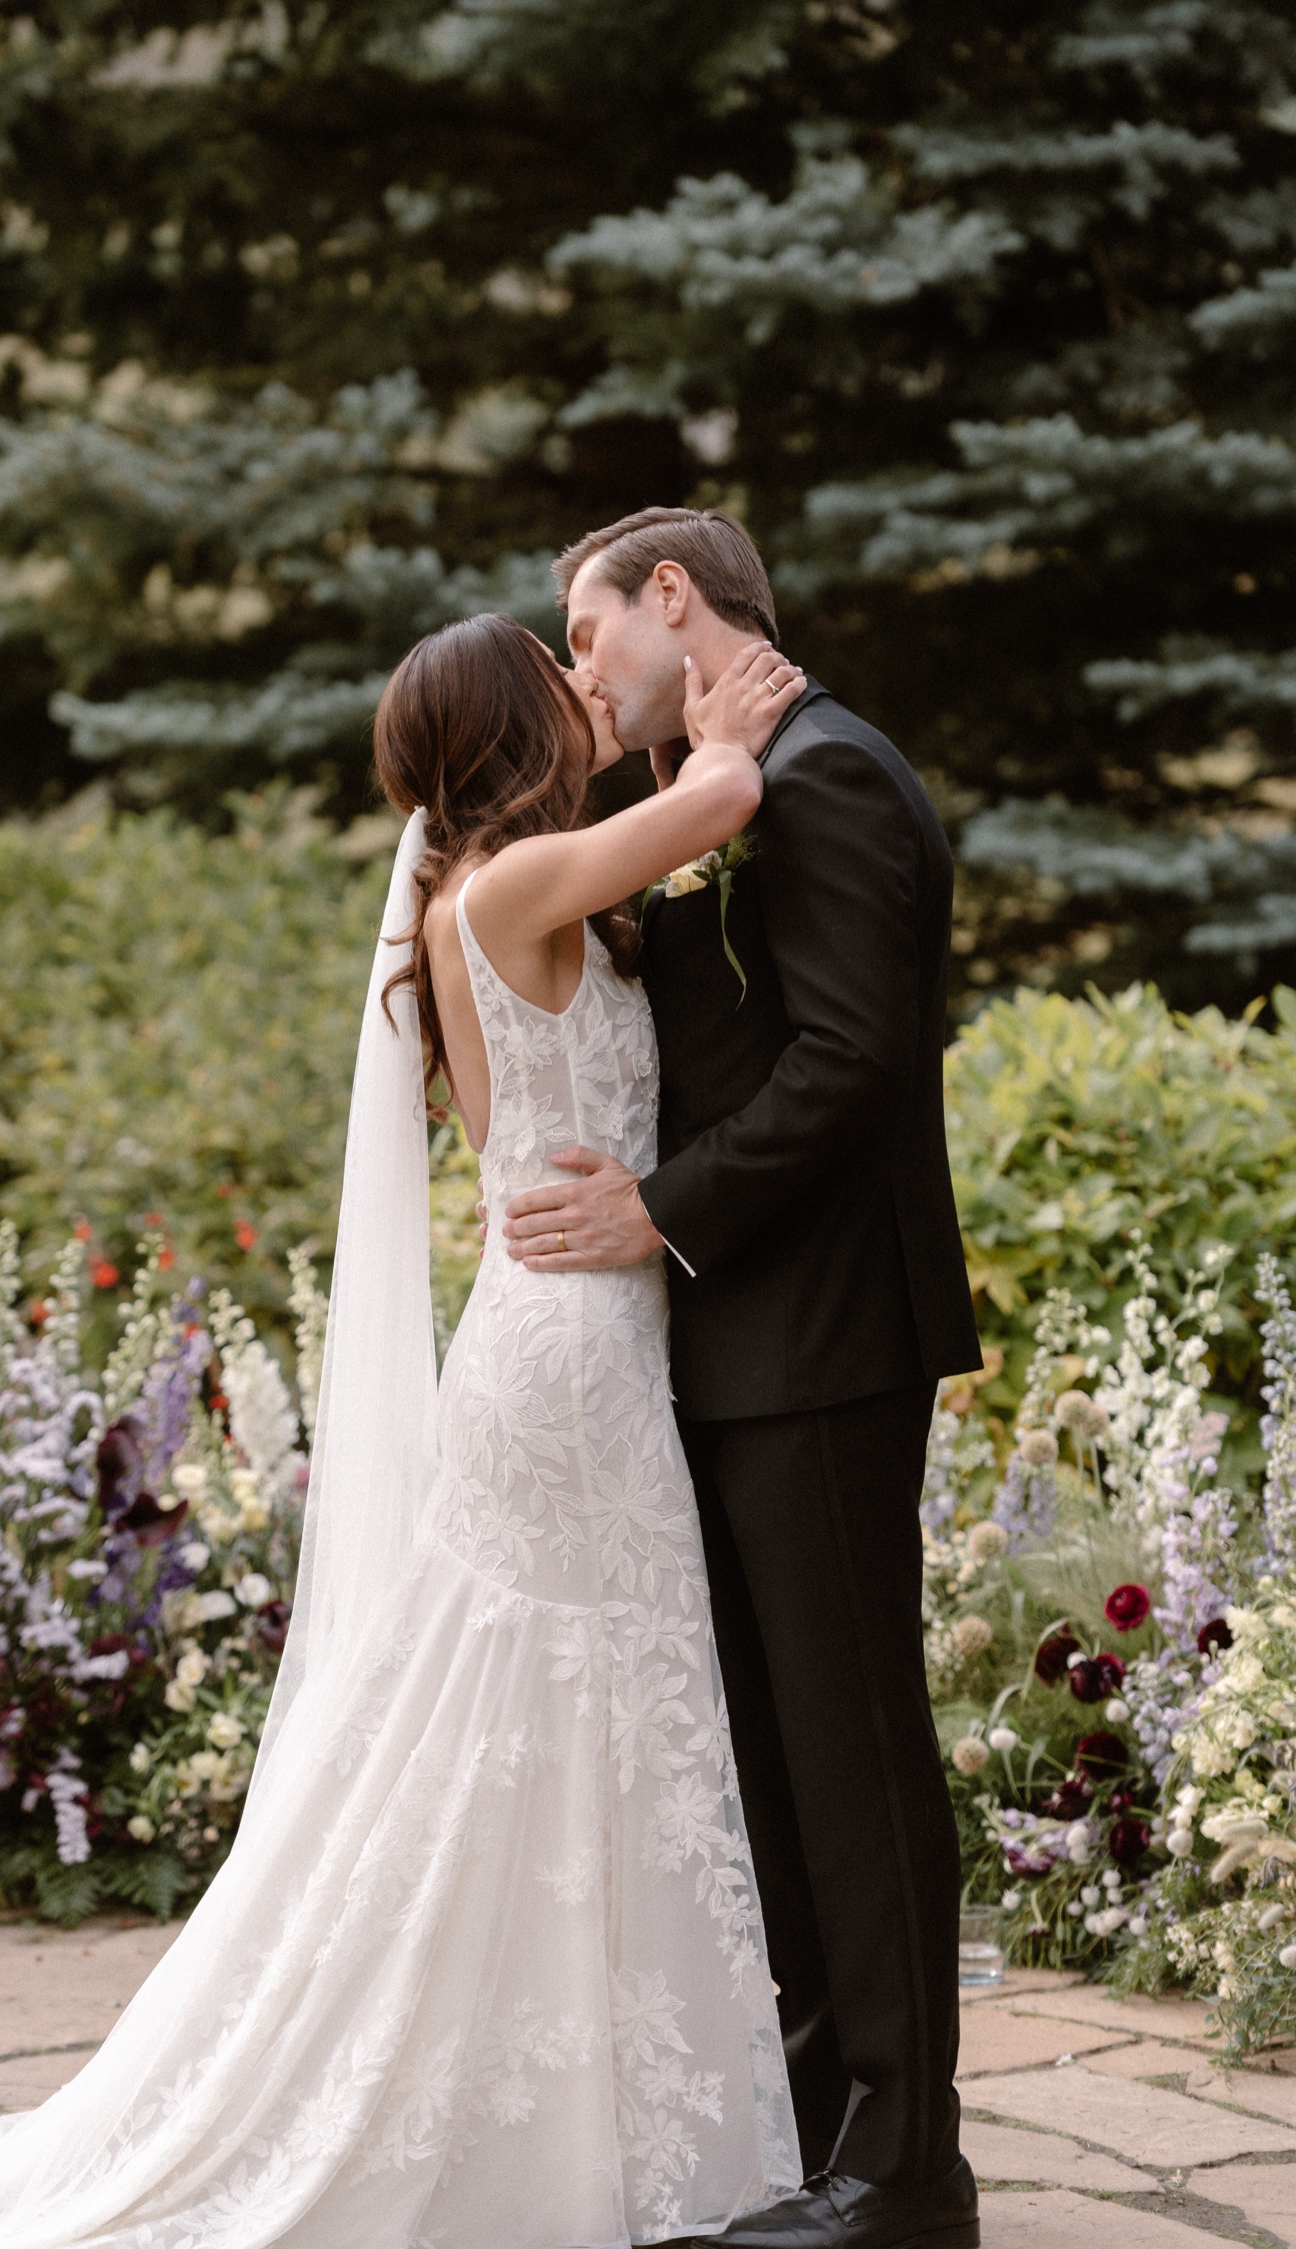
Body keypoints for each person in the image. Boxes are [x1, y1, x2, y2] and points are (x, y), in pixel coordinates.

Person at [0, 611, 812, 2249]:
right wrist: (726, 717)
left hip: (579, 1338)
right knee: (567, 1696)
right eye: (560, 684)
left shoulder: (505, 889)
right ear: (511, 732)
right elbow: (714, 808)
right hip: (566, 1361)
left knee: (581, 1705)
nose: (586, 692)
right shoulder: (504, 891)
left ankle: (594, 2102)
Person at [501, 508, 984, 2249]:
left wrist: (657, 1211)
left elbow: (855, 1057)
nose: (578, 665)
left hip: (830, 1334)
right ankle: (819, 2108)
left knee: (856, 1747)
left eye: (589, 624)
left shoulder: (833, 771)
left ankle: (907, 2172)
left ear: (676, 601)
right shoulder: (728, 776)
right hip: (737, 1334)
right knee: (780, 1753)